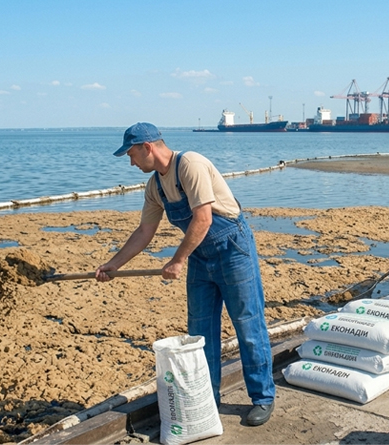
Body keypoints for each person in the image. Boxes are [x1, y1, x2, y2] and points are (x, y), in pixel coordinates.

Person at [96, 123, 275, 426]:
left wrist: (177, 261)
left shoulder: (190, 164)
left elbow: (203, 219)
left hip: (233, 249)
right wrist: (115, 264)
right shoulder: (154, 187)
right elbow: (144, 231)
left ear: (147, 147)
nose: (131, 162)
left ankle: (262, 397)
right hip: (200, 257)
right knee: (200, 333)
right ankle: (208, 399)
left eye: (131, 155)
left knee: (248, 324)